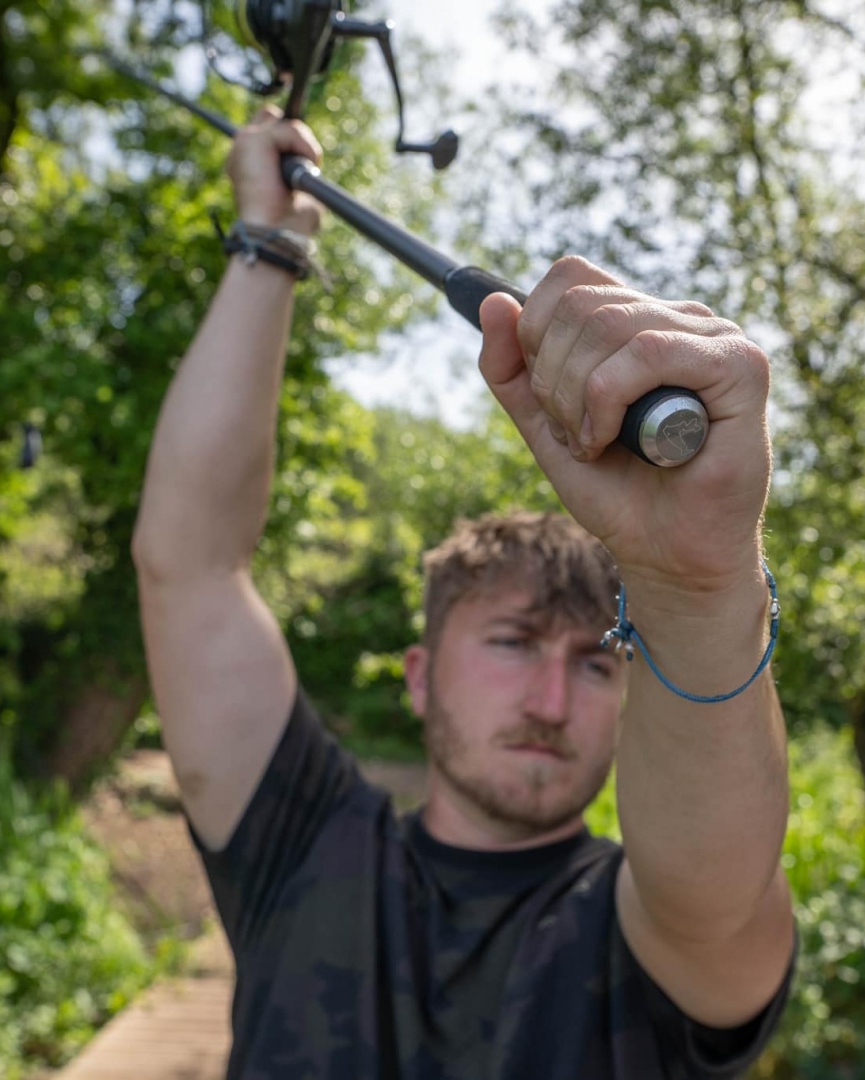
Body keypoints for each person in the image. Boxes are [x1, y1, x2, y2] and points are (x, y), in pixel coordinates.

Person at [131, 107, 797, 1080]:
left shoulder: (651, 928)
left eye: (597, 663)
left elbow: (721, 902)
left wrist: (690, 583)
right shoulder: (303, 846)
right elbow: (187, 564)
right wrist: (268, 242)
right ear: (418, 676)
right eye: (513, 642)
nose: (550, 700)